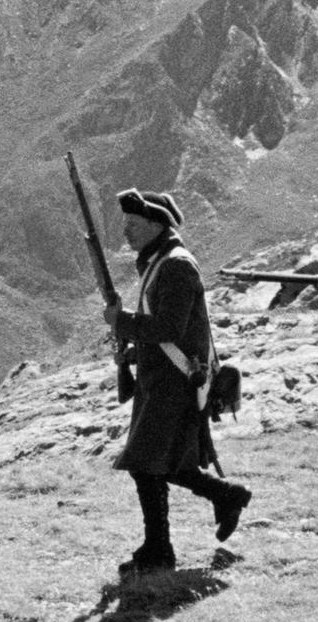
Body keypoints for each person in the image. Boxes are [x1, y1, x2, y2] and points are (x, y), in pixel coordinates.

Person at [101, 189, 251, 575]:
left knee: (147, 464)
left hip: (175, 384)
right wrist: (133, 353)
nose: (127, 234)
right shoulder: (161, 262)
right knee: (166, 464)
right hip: (163, 380)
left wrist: (122, 322)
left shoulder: (176, 266)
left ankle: (159, 550)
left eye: (134, 225)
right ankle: (226, 497)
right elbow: (170, 332)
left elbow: (170, 327)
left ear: (155, 225)